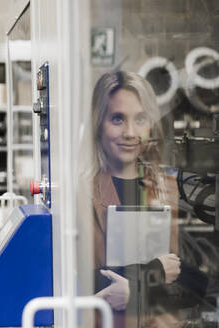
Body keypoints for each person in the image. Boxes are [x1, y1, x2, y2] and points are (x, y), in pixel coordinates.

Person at [89, 70, 207, 327]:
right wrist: (155, 273)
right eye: (118, 119)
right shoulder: (84, 195)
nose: (131, 133)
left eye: (140, 119)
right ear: (99, 124)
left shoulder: (169, 188)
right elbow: (86, 282)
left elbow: (196, 280)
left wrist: (139, 287)